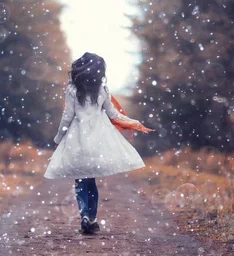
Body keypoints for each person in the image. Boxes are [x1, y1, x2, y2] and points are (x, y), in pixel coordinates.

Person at [44, 52, 154, 234]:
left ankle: (85, 216)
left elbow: (67, 117)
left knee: (80, 181)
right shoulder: (102, 89)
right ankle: (93, 219)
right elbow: (113, 115)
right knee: (91, 181)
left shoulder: (72, 89)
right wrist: (132, 122)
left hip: (77, 138)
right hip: (98, 140)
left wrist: (58, 138)